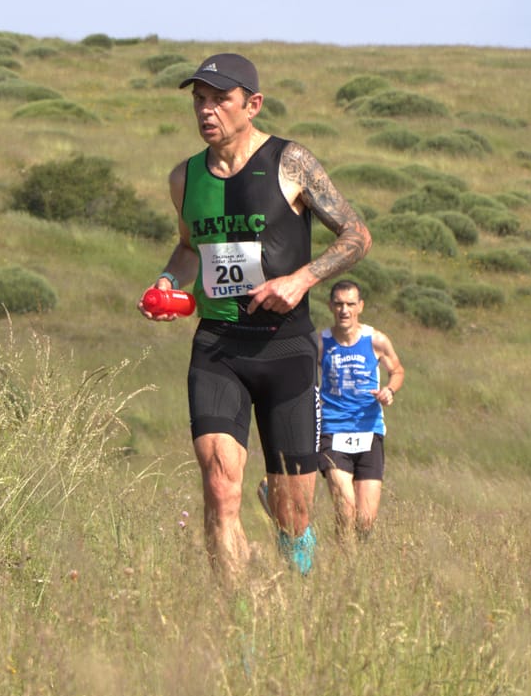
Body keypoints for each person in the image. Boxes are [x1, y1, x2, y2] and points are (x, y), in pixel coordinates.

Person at [139, 52, 371, 582]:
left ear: (253, 104)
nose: (206, 110)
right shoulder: (184, 178)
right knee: (220, 489)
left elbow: (357, 234)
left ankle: (301, 592)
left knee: (294, 513)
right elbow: (185, 248)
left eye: (220, 99)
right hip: (219, 347)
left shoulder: (291, 162)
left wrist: (303, 279)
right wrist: (168, 282)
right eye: (199, 100)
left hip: (285, 349)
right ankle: (242, 618)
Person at [316, 280, 404, 541]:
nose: (345, 310)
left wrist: (389, 390)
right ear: (331, 306)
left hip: (369, 430)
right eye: (339, 304)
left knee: (365, 521)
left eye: (350, 304)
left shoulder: (376, 340)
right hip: (333, 431)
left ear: (360, 307)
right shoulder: (320, 342)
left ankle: (353, 566)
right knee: (345, 508)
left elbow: (397, 370)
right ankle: (345, 568)